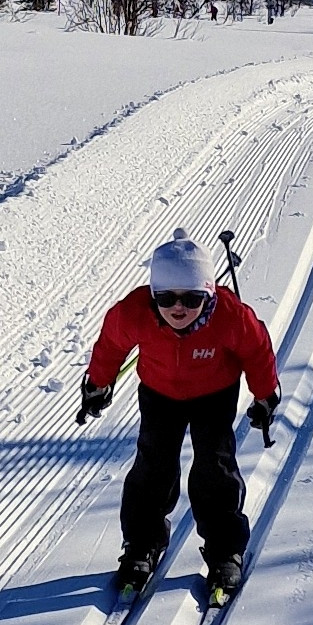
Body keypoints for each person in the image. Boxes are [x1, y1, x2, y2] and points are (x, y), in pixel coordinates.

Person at [77, 228, 281, 595]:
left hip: (214, 393)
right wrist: (97, 383)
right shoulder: (134, 312)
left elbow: (257, 351)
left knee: (214, 466)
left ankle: (225, 549)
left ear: (209, 293)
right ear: (153, 294)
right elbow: (110, 345)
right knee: (153, 464)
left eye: (192, 298)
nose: (178, 308)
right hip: (160, 393)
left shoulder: (231, 316)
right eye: (166, 297)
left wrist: (265, 395)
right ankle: (142, 542)